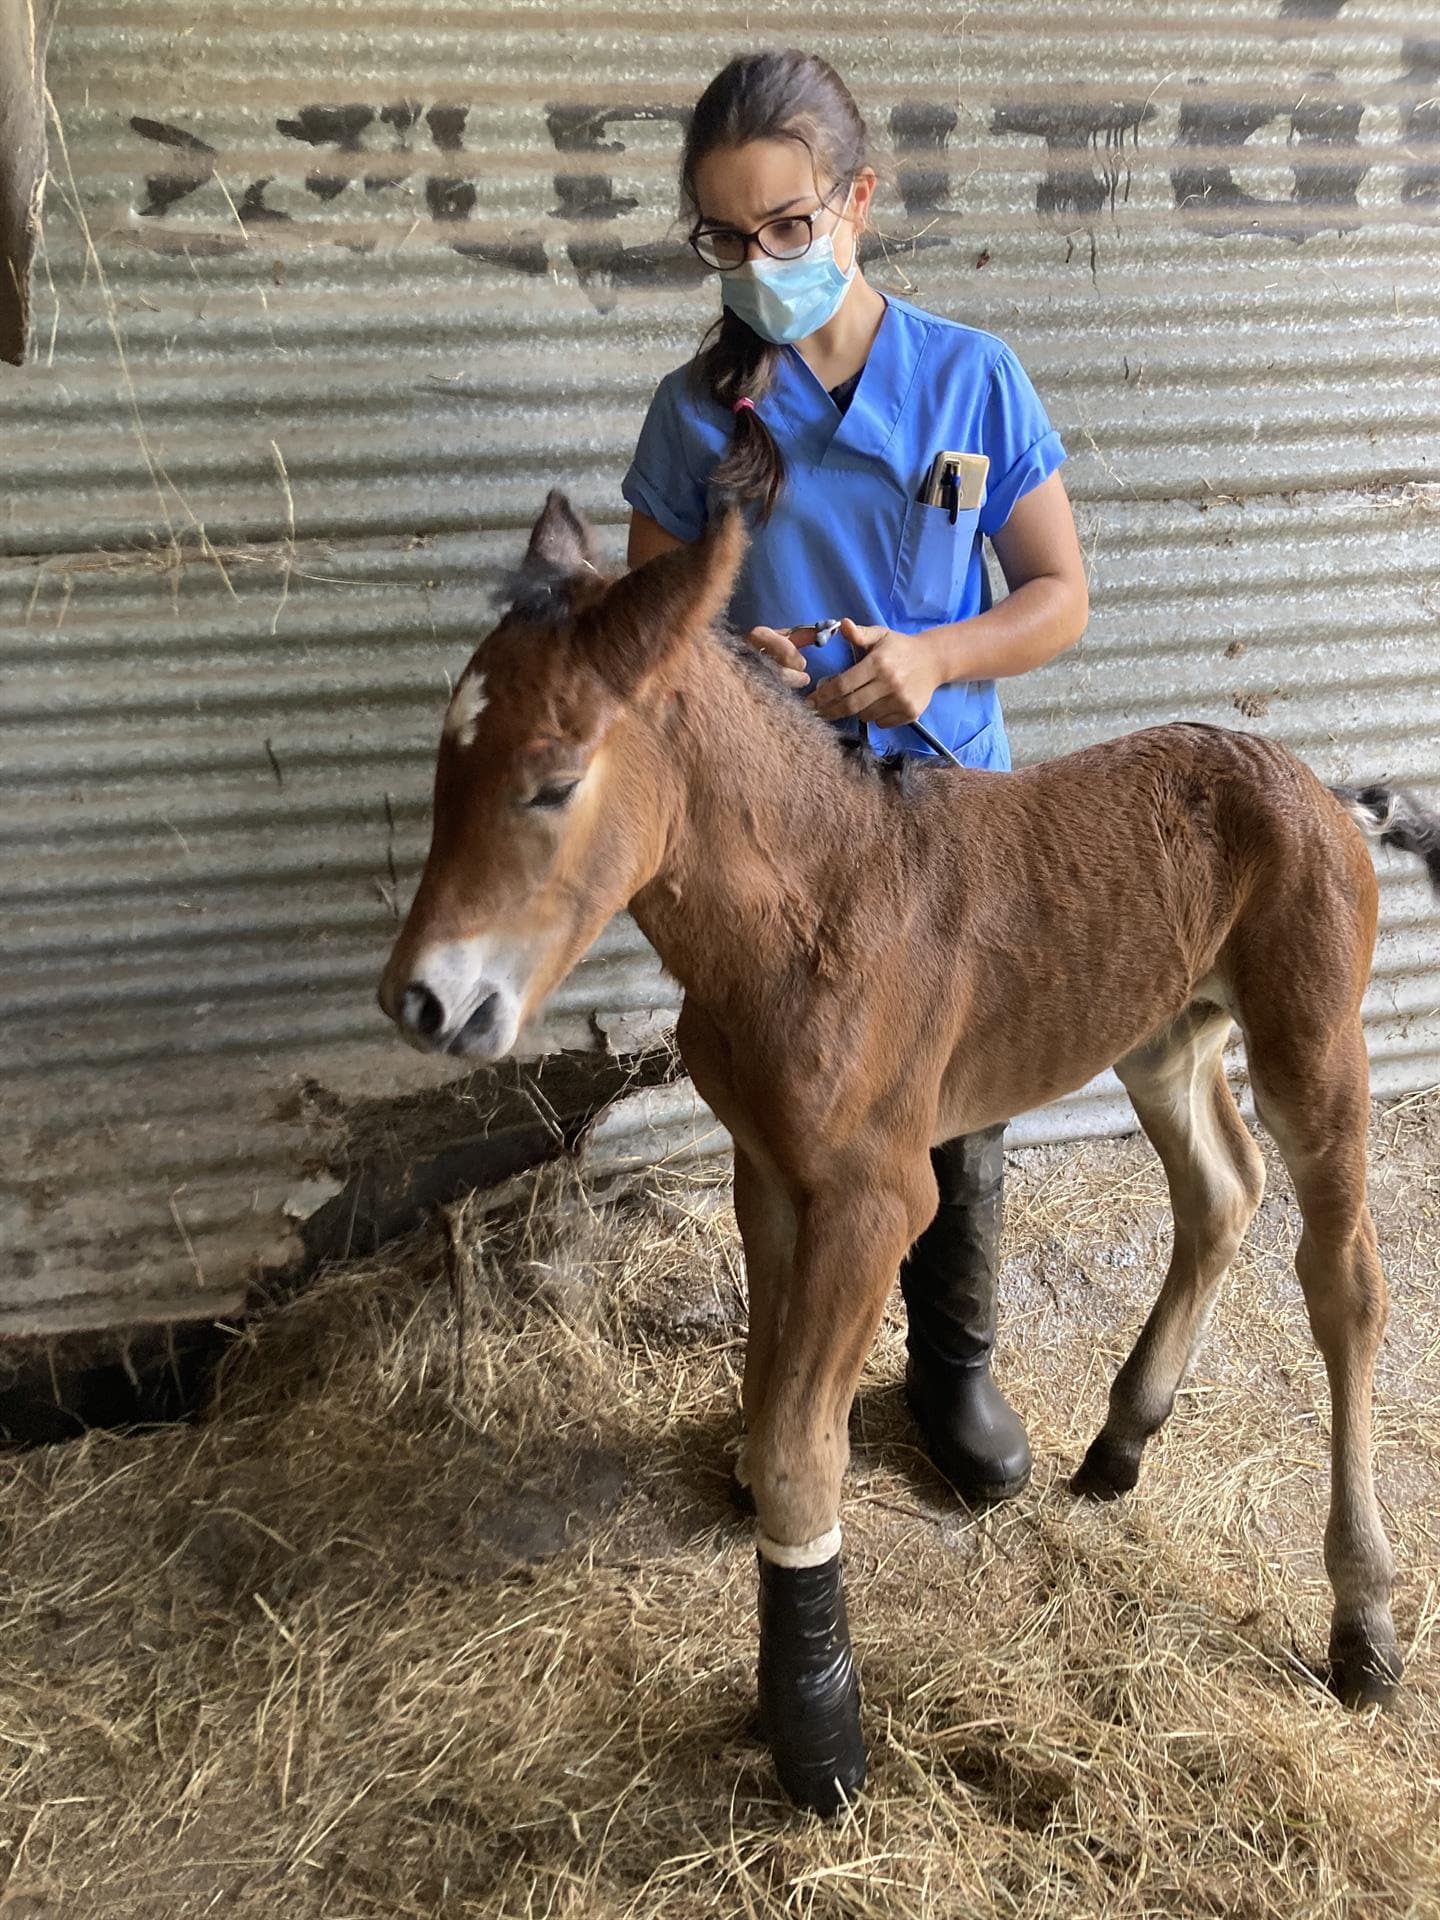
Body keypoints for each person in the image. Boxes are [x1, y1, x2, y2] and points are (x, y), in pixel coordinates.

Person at [622, 49, 1089, 1507]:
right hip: (783, 846)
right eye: (723, 238)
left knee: (958, 1093)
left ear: (858, 203)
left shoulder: (972, 378)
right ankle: (794, 1372)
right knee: (791, 1094)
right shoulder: (694, 416)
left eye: (787, 227)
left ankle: (950, 1363)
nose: (758, 265)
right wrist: (742, 669)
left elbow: (1061, 594)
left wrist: (940, 658)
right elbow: (657, 653)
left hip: (956, 823)